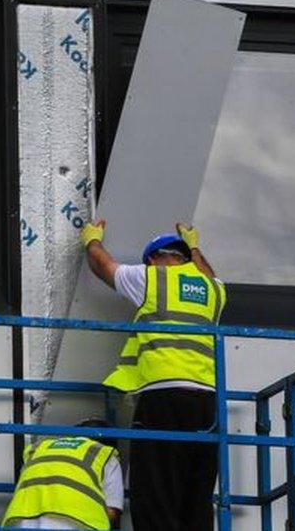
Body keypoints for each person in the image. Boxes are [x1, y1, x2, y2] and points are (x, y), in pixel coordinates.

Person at [80, 219, 226, 531]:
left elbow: (103, 266)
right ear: (185, 257)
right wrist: (196, 245)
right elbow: (208, 275)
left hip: (164, 396)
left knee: (155, 495)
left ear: (153, 258)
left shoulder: (151, 278)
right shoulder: (214, 289)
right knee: (196, 496)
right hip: (208, 404)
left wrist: (91, 240)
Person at [2, 419, 124, 530]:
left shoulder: (39, 448)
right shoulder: (105, 454)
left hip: (20, 519)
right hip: (75, 523)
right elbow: (112, 512)